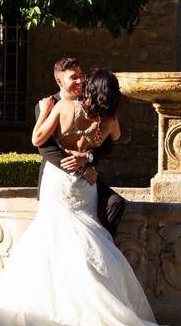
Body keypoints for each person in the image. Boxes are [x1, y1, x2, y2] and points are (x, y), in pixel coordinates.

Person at [0, 68, 181, 326]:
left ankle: (56, 309)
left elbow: (38, 140)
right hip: (84, 184)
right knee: (85, 236)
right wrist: (88, 158)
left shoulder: (65, 107)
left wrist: (45, 112)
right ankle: (92, 306)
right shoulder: (110, 121)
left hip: (60, 182)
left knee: (51, 237)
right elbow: (114, 140)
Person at [35, 57, 125, 237]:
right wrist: (83, 168)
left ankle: (107, 240)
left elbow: (106, 146)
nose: (80, 81)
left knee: (114, 203)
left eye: (81, 76)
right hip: (60, 173)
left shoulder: (93, 106)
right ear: (60, 81)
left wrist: (88, 159)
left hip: (86, 176)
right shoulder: (47, 104)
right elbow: (45, 147)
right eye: (74, 77)